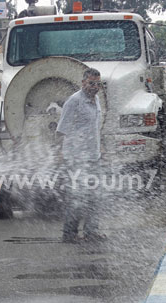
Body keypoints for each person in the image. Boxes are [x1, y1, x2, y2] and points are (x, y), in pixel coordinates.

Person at [56, 68, 106, 243]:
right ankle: (69, 234)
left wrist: (101, 148)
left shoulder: (96, 100)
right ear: (83, 82)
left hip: (93, 157)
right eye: (91, 83)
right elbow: (62, 130)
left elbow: (94, 127)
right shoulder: (74, 101)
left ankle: (91, 232)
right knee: (76, 197)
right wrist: (62, 153)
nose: (94, 87)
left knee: (94, 197)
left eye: (97, 83)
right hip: (76, 159)